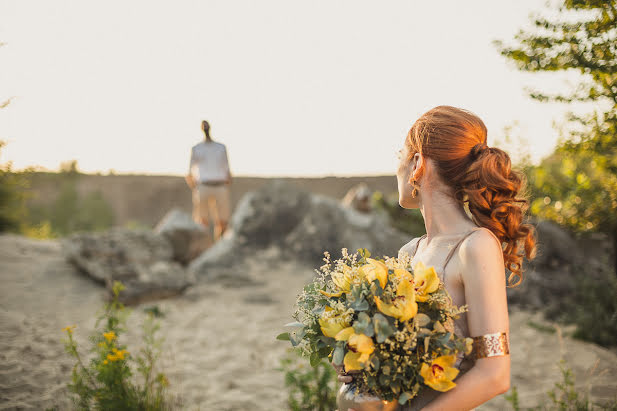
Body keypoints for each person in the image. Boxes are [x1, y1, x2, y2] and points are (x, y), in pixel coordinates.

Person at [335, 106, 536, 410]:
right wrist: (360, 361)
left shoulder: (476, 246)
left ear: (417, 163)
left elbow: (495, 374)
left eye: (400, 154)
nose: (396, 167)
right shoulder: (408, 252)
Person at [185, 120, 232, 243]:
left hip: (219, 185)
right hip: (203, 185)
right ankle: (205, 246)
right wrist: (195, 186)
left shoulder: (220, 148)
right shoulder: (197, 148)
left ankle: (220, 245)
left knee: (222, 220)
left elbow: (227, 170)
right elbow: (190, 171)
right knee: (202, 220)